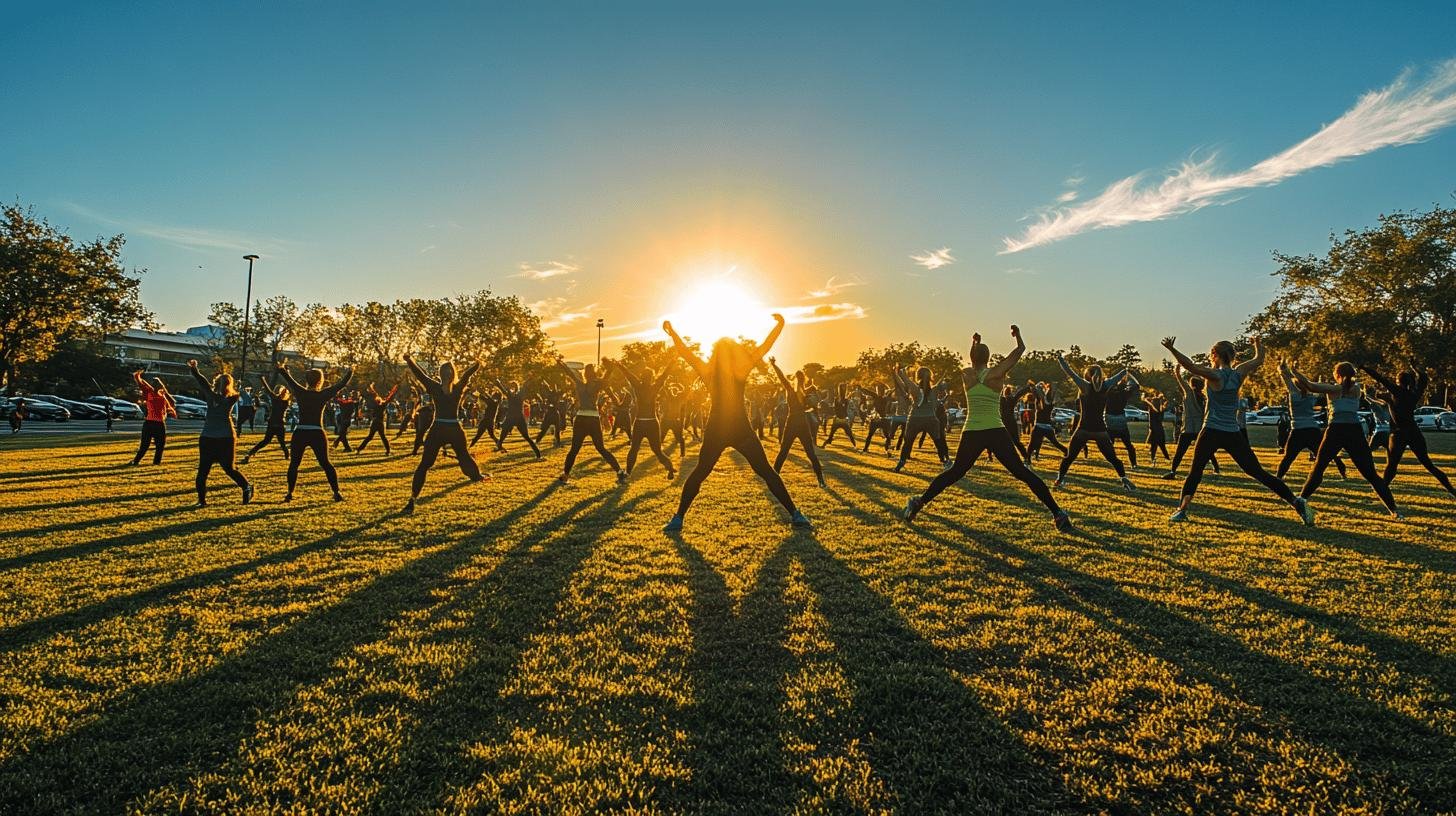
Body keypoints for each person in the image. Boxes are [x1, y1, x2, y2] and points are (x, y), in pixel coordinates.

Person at [904, 326, 1071, 531]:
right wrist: (1017, 336)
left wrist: (974, 343)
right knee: (1022, 472)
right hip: (994, 430)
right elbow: (1020, 350)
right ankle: (1058, 513)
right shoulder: (996, 373)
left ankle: (919, 502)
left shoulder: (966, 374)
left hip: (972, 431)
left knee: (955, 472)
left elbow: (973, 361)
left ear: (972, 357)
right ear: (988, 357)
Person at [661, 314, 811, 532]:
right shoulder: (737, 369)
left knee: (702, 472)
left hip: (722, 428)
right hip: (736, 428)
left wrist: (673, 332)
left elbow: (685, 352)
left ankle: (678, 518)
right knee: (765, 471)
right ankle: (796, 514)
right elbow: (764, 347)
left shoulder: (709, 370)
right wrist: (780, 325)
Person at [1162, 337, 1312, 524]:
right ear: (1232, 356)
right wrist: (1257, 343)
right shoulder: (1239, 372)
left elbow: (1189, 365)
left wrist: (1172, 349)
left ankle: (1181, 510)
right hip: (1233, 432)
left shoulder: (1214, 375)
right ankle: (1295, 501)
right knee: (1257, 472)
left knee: (1195, 472)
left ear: (1215, 355)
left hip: (1211, 430)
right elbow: (1259, 359)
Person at [1287, 362, 1403, 518]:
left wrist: (1294, 371)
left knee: (1319, 467)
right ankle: (1394, 510)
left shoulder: (1334, 389)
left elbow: (1310, 386)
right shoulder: (1357, 389)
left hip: (1336, 430)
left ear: (1337, 374)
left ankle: (1302, 499)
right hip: (1355, 431)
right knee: (1371, 474)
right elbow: (1312, 386)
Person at [403, 353, 486, 513]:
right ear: (453, 374)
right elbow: (468, 374)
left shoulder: (435, 386)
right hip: (453, 429)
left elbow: (420, 374)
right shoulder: (458, 387)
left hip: (439, 429)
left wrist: (409, 360)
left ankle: (412, 499)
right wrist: (477, 364)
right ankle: (477, 476)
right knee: (463, 456)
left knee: (425, 464)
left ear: (441, 374)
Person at [1362, 364, 1456, 497]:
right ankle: (1451, 490)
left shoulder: (1396, 391)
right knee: (1428, 464)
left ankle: (1382, 490)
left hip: (1398, 433)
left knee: (1392, 465)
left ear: (1398, 381)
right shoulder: (1414, 394)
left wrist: (1364, 368)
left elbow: (1380, 378)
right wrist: (1415, 367)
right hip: (1413, 431)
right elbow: (1423, 379)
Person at [1053, 355, 1135, 491]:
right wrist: (1126, 369)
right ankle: (1124, 479)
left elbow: (1070, 373)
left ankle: (1059, 480)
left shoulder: (1085, 386)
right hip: (1100, 430)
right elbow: (1120, 375)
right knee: (1113, 458)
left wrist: (1061, 360)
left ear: (1088, 375)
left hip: (1083, 429)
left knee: (1069, 457)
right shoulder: (1106, 385)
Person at [275, 361, 352, 502]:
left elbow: (289, 380)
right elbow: (341, 384)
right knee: (326, 464)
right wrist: (351, 371)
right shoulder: (323, 394)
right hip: (317, 432)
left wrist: (282, 368)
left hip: (300, 432)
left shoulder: (300, 392)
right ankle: (336, 493)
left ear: (307, 380)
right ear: (320, 381)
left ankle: (289, 493)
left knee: (294, 464)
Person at [187, 360, 253, 507]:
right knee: (227, 469)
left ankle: (202, 501)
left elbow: (202, 381)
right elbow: (203, 381)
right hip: (223, 437)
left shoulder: (221, 397)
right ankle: (246, 487)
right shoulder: (230, 398)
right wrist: (195, 371)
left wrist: (194, 369)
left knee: (206, 470)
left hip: (212, 437)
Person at [1273, 360, 1345, 481]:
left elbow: (1286, 380)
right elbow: (1316, 387)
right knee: (1323, 454)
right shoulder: (1311, 396)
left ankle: (1278, 478)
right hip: (1312, 429)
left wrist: (1281, 370)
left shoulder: (1294, 394)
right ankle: (1339, 464)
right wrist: (1319, 381)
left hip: (1298, 430)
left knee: (1288, 457)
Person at [605, 358, 677, 479]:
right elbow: (664, 376)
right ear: (651, 378)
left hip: (640, 422)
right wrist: (671, 363)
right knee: (657, 451)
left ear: (642, 377)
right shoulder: (654, 387)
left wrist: (620, 365)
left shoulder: (638, 386)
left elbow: (629, 375)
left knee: (634, 449)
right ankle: (670, 469)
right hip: (652, 423)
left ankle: (628, 472)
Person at [558, 359, 625, 483]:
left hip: (580, 418)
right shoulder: (597, 384)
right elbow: (606, 379)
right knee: (601, 448)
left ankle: (565, 474)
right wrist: (610, 368)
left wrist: (561, 364)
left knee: (574, 449)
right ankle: (619, 472)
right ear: (593, 373)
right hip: (593, 419)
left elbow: (570, 373)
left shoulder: (579, 384)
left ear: (585, 374)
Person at [769, 357, 827, 487]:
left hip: (791, 423)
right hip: (802, 423)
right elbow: (813, 404)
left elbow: (781, 377)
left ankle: (773, 479)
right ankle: (821, 481)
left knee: (783, 452)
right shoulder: (806, 393)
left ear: (795, 379)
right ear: (803, 379)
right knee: (811, 453)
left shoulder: (790, 390)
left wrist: (774, 365)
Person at [1162, 364, 1221, 478]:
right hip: (1200, 428)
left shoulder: (1189, 393)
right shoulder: (1204, 396)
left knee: (1180, 452)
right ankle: (1216, 468)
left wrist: (1177, 372)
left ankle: (1173, 471)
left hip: (1188, 428)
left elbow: (1181, 382)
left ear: (1192, 384)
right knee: (1206, 450)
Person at [894, 364, 950, 471]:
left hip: (914, 419)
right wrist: (945, 375)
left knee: (908, 442)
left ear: (918, 376)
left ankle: (901, 462)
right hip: (931, 419)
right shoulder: (935, 389)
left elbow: (903, 377)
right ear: (930, 377)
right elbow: (944, 384)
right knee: (938, 441)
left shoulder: (914, 388)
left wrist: (901, 370)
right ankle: (945, 461)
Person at [131, 369, 177, 465]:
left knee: (144, 445)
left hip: (149, 423)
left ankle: (136, 461)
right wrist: (170, 410)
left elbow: (142, 384)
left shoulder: (150, 393)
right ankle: (156, 463)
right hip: (159, 423)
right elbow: (172, 403)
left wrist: (138, 376)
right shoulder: (162, 395)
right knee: (160, 445)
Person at [243, 375, 291, 463]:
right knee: (282, 443)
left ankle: (251, 452)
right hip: (280, 425)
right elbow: (270, 391)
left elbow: (268, 390)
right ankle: (287, 456)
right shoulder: (285, 402)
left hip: (272, 423)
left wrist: (262, 379)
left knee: (265, 441)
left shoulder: (275, 399)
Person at [494, 379, 542, 458]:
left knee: (526, 437)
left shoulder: (516, 394)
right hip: (514, 418)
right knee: (503, 435)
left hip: (515, 418)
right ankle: (499, 446)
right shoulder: (517, 394)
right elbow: (504, 390)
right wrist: (498, 384)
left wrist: (499, 384)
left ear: (514, 388)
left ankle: (538, 454)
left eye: (512, 387)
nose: (511, 389)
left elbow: (504, 390)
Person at [1027, 383, 1070, 460]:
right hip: (1048, 427)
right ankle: (1066, 451)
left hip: (1039, 426)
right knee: (1055, 443)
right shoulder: (1050, 402)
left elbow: (1037, 394)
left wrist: (1033, 387)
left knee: (1031, 444)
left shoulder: (1040, 401)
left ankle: (1027, 459)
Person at [1104, 376, 1140, 468]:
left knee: (1109, 444)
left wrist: (1111, 380)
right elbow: (1137, 385)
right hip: (1120, 419)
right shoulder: (1125, 393)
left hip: (1109, 418)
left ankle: (1112, 461)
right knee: (1128, 444)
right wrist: (1130, 375)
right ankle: (1133, 463)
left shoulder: (1109, 392)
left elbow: (1104, 385)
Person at [356, 382, 398, 455]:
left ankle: (359, 449)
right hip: (380, 423)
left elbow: (375, 394)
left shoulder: (374, 405)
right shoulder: (383, 405)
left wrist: (371, 388)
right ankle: (388, 451)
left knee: (370, 437)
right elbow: (389, 397)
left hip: (375, 422)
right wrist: (395, 389)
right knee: (383, 437)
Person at [1142, 391, 1172, 466]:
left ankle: (1153, 460)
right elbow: (1164, 403)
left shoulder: (1152, 409)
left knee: (1154, 446)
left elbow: (1147, 401)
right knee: (1162, 446)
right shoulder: (1161, 409)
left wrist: (1145, 397)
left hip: (1154, 430)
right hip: (1160, 429)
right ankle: (1167, 459)